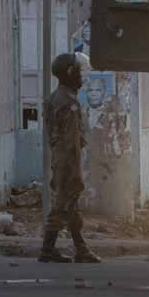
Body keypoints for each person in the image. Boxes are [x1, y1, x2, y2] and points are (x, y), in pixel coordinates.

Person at [41, 51, 100, 262]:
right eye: (80, 72)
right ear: (70, 73)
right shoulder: (69, 102)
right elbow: (71, 141)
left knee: (71, 206)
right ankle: (47, 249)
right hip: (67, 160)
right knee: (62, 205)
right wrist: (75, 172)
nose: (82, 77)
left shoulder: (54, 98)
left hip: (59, 158)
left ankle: (81, 249)